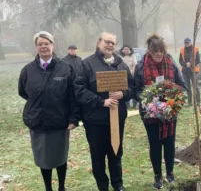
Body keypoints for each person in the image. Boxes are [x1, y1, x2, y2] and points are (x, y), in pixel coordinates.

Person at [18, 31, 80, 191]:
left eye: (47, 43)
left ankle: (61, 187)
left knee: (60, 157)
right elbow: (23, 92)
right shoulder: (27, 70)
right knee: (43, 158)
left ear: (53, 45)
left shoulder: (65, 68)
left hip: (59, 121)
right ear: (36, 47)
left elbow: (73, 95)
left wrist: (74, 119)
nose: (43, 47)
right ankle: (48, 188)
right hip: (38, 121)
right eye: (40, 44)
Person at [74, 32, 134, 191]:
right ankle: (102, 186)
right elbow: (79, 90)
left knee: (116, 152)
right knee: (98, 155)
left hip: (117, 118)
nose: (110, 45)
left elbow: (132, 87)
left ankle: (118, 184)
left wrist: (123, 94)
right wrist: (101, 102)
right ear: (99, 43)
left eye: (113, 43)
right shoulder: (87, 64)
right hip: (95, 120)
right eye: (107, 42)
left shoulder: (121, 64)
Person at [133, 34, 186, 190]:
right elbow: (136, 89)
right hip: (150, 114)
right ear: (149, 50)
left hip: (170, 112)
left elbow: (182, 85)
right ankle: (158, 176)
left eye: (161, 50)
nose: (158, 54)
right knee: (155, 144)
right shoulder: (142, 66)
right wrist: (148, 101)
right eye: (155, 51)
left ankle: (170, 173)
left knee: (169, 143)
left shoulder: (171, 63)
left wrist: (174, 97)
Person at [178, 38, 200, 106]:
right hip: (185, 71)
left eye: (188, 42)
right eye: (185, 43)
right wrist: (185, 64)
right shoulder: (182, 50)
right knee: (188, 88)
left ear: (190, 42)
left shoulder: (195, 49)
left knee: (195, 87)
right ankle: (189, 103)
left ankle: (198, 102)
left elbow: (198, 60)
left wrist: (191, 64)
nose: (186, 44)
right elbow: (180, 60)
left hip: (194, 71)